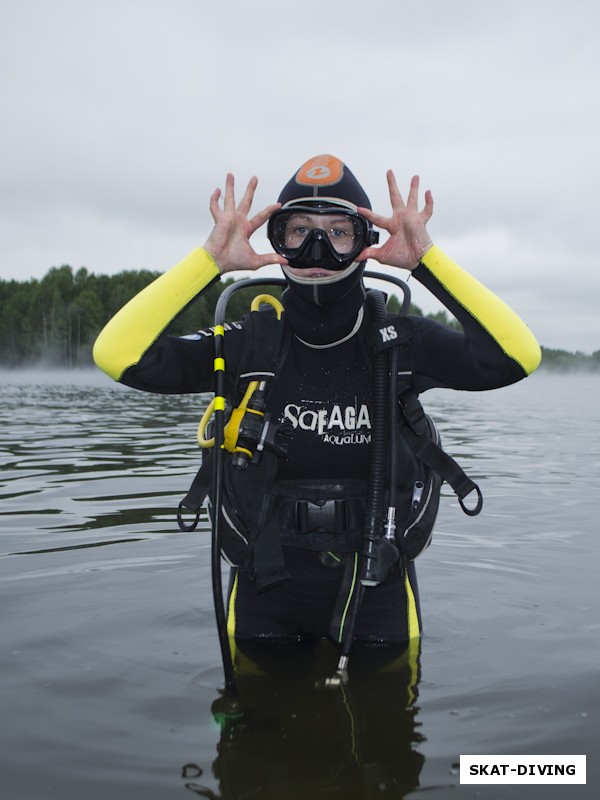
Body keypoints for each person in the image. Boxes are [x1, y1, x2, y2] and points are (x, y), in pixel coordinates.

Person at [93, 154, 541, 648]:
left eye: (338, 232)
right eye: (299, 229)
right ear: (276, 238)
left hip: (379, 584)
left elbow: (516, 358)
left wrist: (426, 261)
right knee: (256, 721)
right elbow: (119, 356)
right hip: (266, 588)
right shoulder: (246, 345)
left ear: (364, 242)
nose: (317, 247)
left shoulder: (401, 342)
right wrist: (210, 262)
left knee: (390, 719)